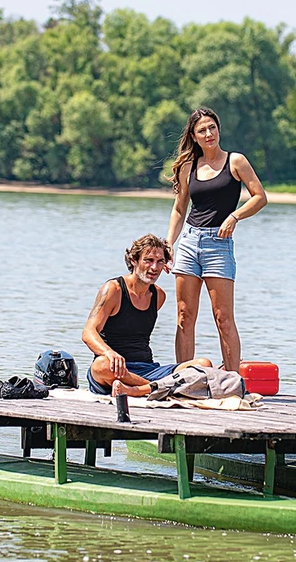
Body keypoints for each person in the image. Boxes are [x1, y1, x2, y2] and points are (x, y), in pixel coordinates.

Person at [166, 107, 267, 371]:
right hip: (189, 242)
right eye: (202, 130)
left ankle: (233, 380)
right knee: (184, 317)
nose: (208, 133)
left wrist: (234, 217)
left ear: (218, 129)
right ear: (194, 135)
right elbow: (179, 208)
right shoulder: (188, 166)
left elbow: (260, 197)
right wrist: (169, 243)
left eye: (212, 127)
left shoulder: (236, 161)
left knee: (223, 318)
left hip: (218, 246)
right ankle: (183, 378)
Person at [82, 234, 212, 394]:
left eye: (160, 262)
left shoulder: (158, 296)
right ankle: (160, 389)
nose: (154, 268)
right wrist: (109, 352)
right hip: (117, 369)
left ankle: (141, 389)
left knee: (203, 364)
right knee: (100, 366)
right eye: (148, 260)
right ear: (134, 261)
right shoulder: (114, 290)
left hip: (148, 369)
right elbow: (88, 333)